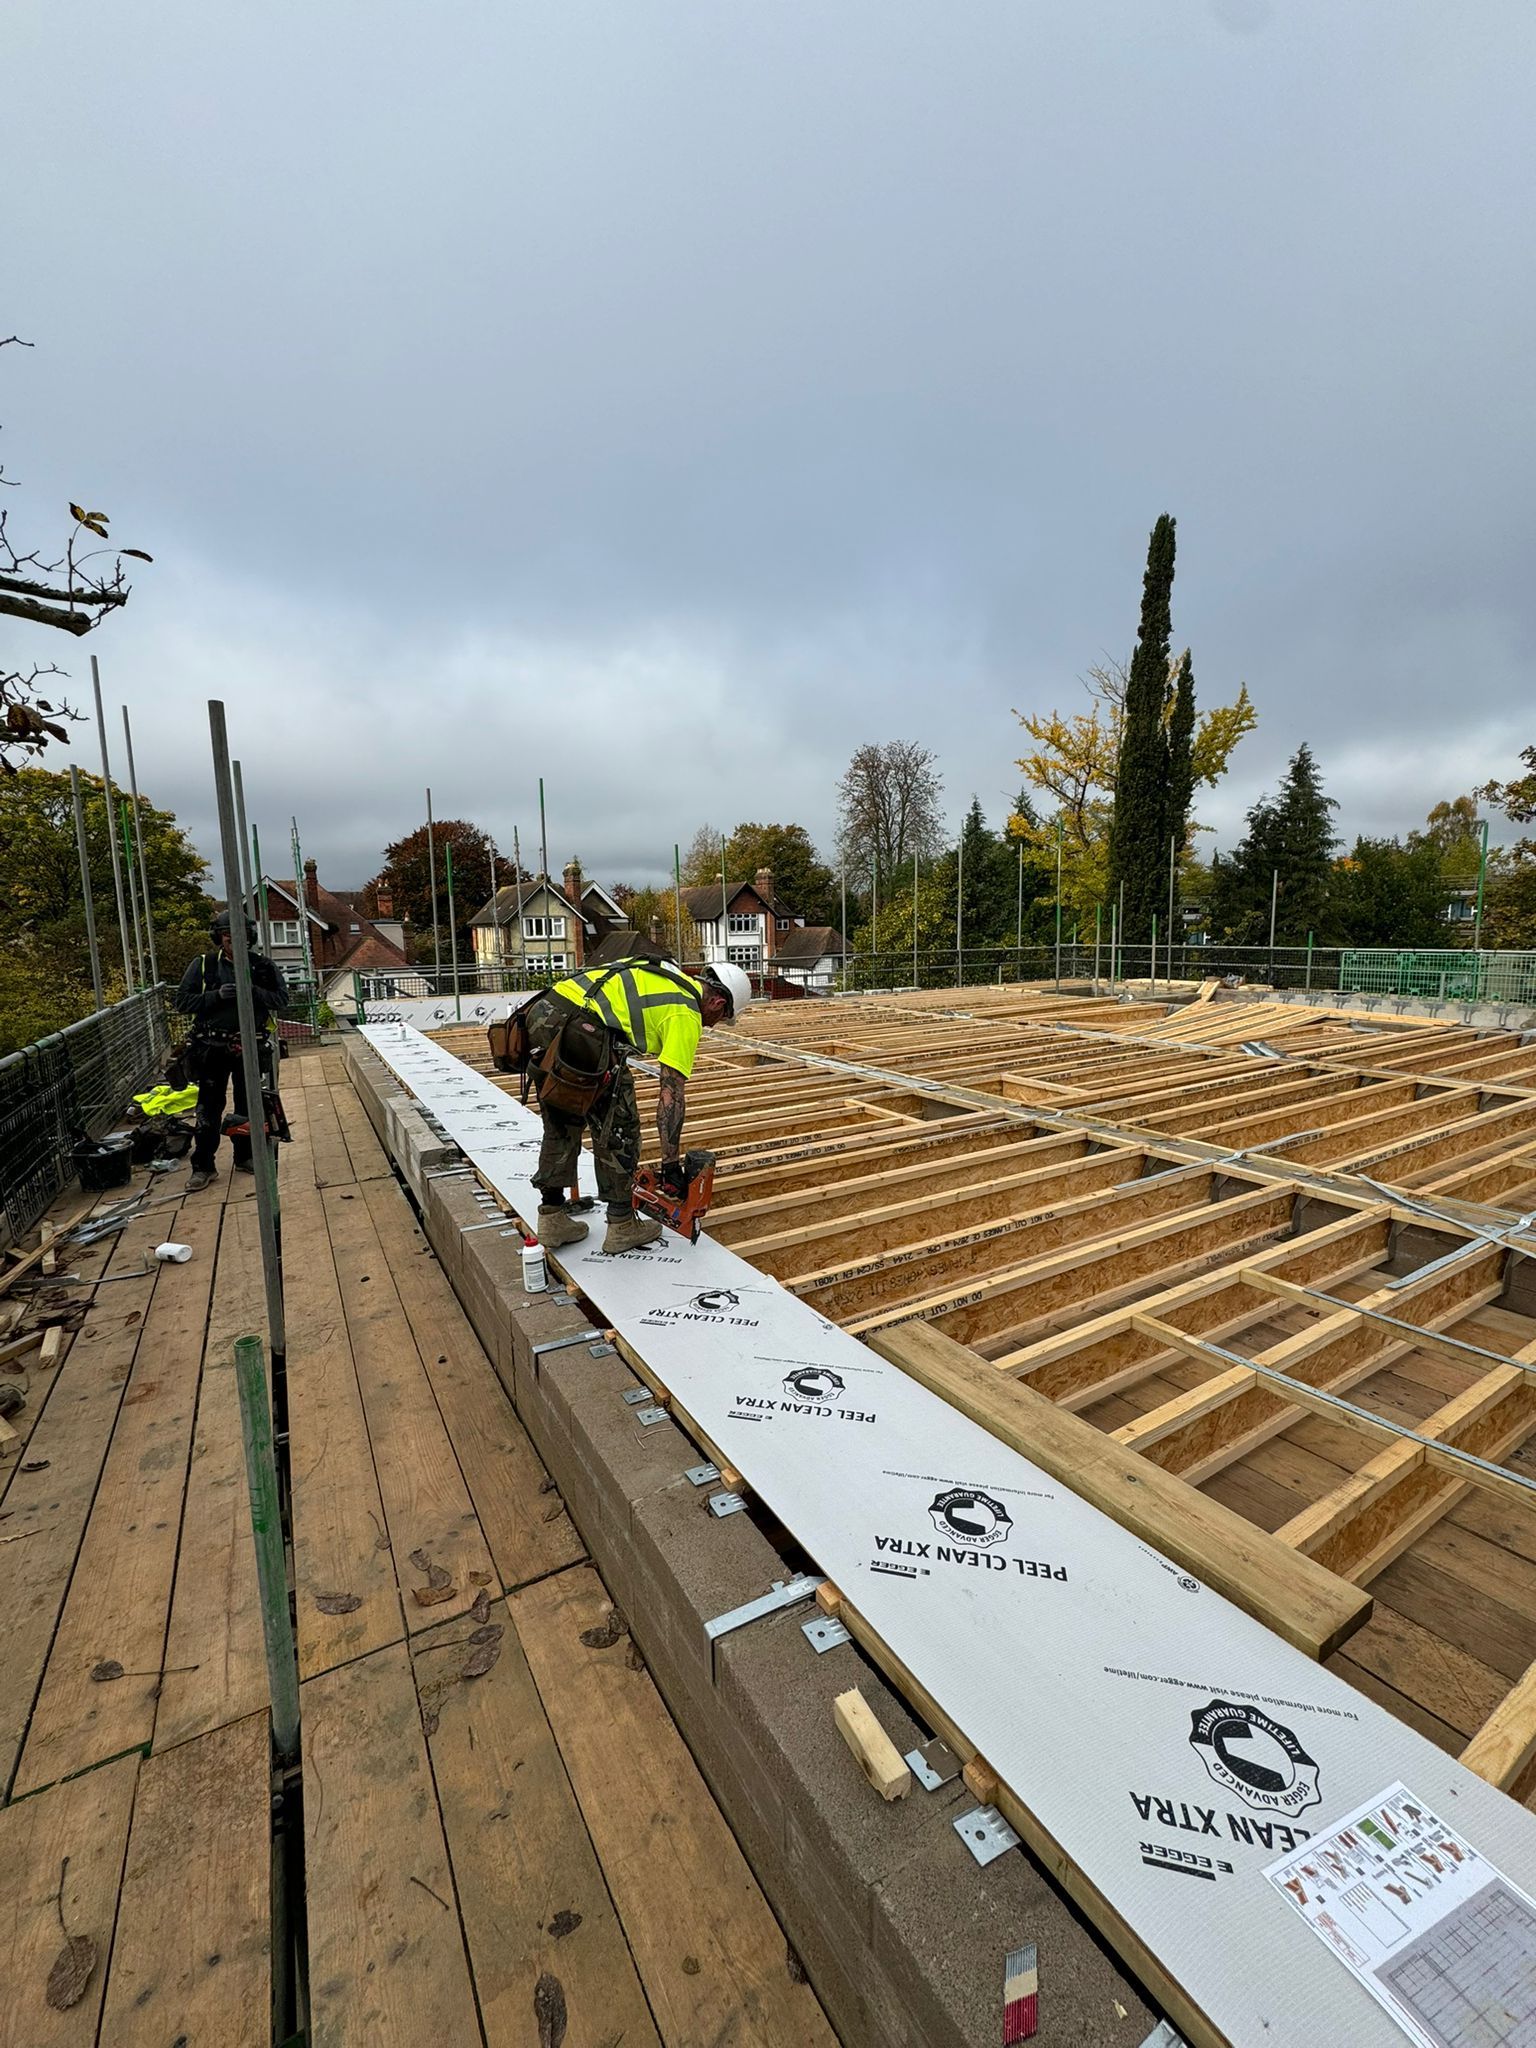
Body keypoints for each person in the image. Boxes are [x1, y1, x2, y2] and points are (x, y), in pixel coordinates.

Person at [526, 957, 751, 1254]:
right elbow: (671, 1096)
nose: (715, 1024)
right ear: (718, 1003)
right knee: (619, 1125)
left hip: (544, 1012)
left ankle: (552, 1217)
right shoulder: (686, 1013)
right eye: (722, 1017)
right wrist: (670, 1165)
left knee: (562, 1113)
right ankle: (621, 1225)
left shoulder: (670, 976)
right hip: (585, 1027)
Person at [174, 910, 287, 1191]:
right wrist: (215, 996)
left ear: (248, 937)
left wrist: (253, 991)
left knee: (247, 1106)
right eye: (227, 937)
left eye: (238, 936)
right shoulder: (205, 966)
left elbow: (282, 1000)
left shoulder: (261, 967)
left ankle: (245, 1156)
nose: (233, 942)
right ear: (220, 938)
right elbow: (182, 1002)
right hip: (211, 1047)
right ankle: (203, 1166)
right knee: (208, 1109)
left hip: (249, 1046)